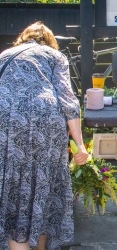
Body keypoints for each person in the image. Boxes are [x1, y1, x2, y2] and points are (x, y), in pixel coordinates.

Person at [0, 22, 89, 250]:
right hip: (44, 118)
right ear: (49, 41)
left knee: (12, 183)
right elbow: (68, 102)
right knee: (44, 180)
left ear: (23, 38)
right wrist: (80, 145)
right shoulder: (55, 55)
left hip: (6, 120)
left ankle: (17, 241)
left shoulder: (5, 55)